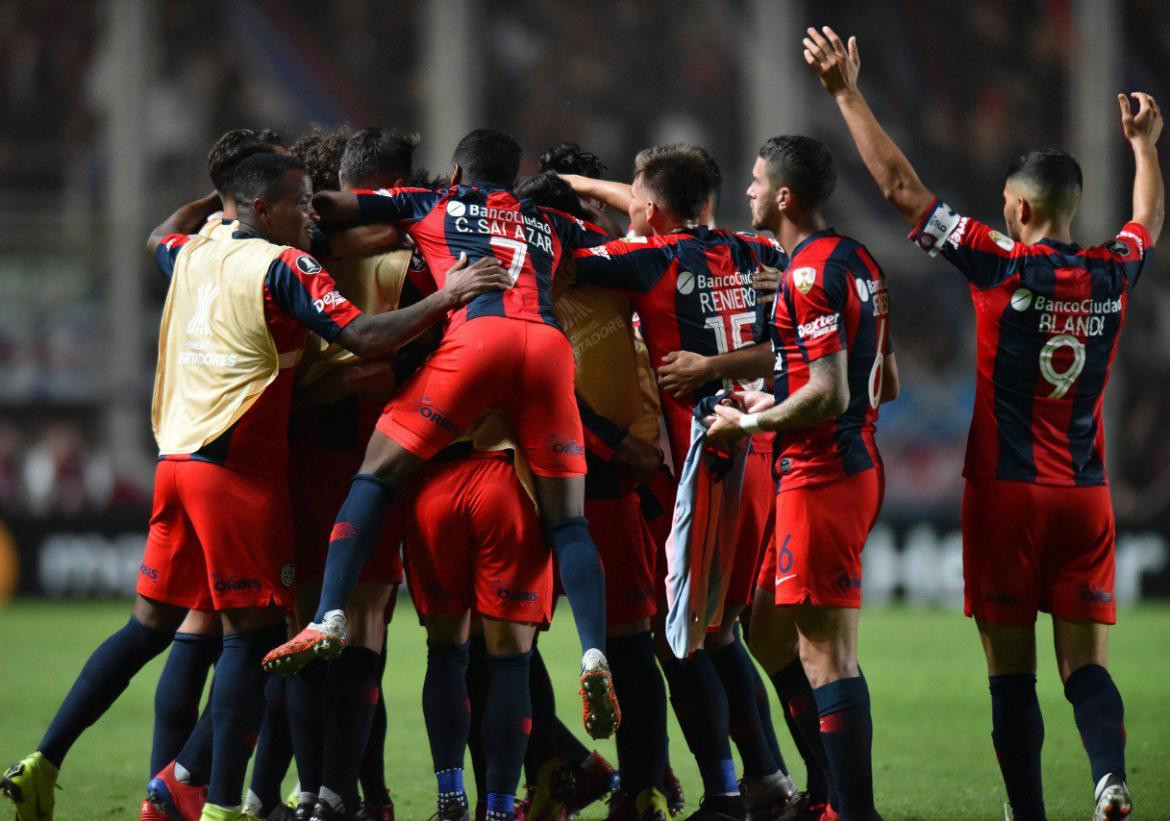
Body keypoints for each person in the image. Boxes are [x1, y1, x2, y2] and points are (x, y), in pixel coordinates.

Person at [0, 152, 509, 821]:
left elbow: (157, 235)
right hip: (237, 475)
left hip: (175, 466)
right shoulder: (286, 266)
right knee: (255, 637)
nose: (309, 211)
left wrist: (211, 198)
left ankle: (43, 761)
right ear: (261, 209)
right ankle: (223, 804)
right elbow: (362, 334)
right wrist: (449, 294)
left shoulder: (194, 250)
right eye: (298, 201)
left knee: (148, 625)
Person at [801, 24, 1162, 821]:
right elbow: (1148, 223)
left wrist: (845, 92)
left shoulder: (1000, 258)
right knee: (1085, 667)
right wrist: (1144, 147)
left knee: (1010, 672)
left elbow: (901, 189)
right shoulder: (1114, 269)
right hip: (1087, 494)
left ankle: (1027, 811)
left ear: (1021, 207)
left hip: (1005, 494)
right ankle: (1107, 777)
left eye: (1005, 198)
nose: (999, 204)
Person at [263, 128, 624, 742]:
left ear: (456, 173)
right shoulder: (552, 222)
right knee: (567, 522)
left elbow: (330, 207)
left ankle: (327, 616)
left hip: (477, 341)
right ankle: (593, 654)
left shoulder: (427, 203)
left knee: (377, 472)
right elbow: (631, 238)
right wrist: (582, 189)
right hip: (547, 350)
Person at [568, 145, 794, 821]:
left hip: (705, 464)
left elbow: (565, 257)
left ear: (653, 212)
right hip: (760, 452)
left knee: (694, 638)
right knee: (722, 632)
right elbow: (787, 342)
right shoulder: (759, 249)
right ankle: (767, 781)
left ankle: (747, 788)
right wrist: (591, 183)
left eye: (636, 203)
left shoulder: (650, 259)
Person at [705, 128, 899, 821]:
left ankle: (851, 811)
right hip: (829, 467)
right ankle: (826, 791)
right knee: (765, 629)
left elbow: (834, 392)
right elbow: (887, 378)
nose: (748, 191)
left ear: (784, 196)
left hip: (824, 476)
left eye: (756, 182)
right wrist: (777, 391)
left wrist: (750, 422)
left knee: (828, 656)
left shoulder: (811, 274)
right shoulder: (859, 260)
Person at [520, 171, 671, 821]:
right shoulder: (531, 296)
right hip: (581, 484)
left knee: (624, 648)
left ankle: (622, 784)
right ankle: (596, 778)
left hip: (558, 487)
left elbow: (669, 214)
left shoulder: (616, 276)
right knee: (622, 649)